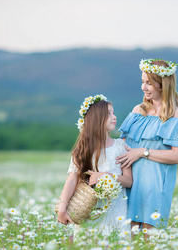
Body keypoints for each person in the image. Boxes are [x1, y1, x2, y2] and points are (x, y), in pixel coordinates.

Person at [116, 59, 178, 231]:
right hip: (130, 182)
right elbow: (121, 146)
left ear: (163, 85)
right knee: (128, 237)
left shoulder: (175, 114)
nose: (143, 87)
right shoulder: (138, 111)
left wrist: (143, 152)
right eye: (143, 82)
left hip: (155, 184)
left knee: (148, 238)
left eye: (149, 83)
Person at [57, 95, 133, 235]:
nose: (114, 117)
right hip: (89, 210)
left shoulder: (120, 146)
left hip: (116, 212)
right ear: (96, 118)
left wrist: (106, 176)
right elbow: (72, 179)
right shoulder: (83, 149)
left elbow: (129, 181)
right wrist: (63, 207)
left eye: (114, 113)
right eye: (108, 114)